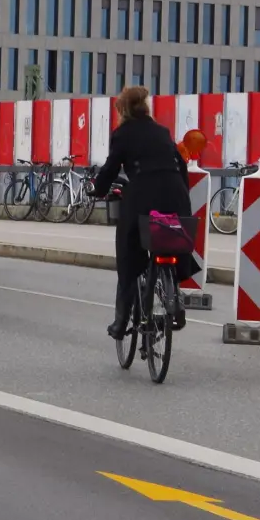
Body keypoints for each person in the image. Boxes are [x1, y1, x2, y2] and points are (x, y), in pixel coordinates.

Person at [91, 86, 192, 339]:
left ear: (122, 110)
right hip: (175, 195)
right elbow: (180, 165)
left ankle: (121, 321)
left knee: (127, 253)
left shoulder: (122, 134)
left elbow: (111, 167)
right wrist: (181, 196)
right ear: (146, 108)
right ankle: (175, 295)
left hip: (143, 199)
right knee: (171, 242)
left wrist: (98, 189)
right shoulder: (162, 132)